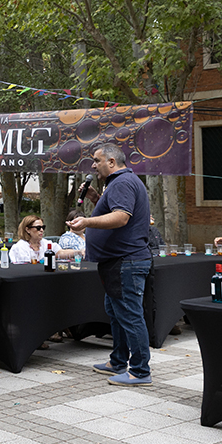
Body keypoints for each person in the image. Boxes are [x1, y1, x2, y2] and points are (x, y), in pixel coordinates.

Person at [67, 144, 152, 387]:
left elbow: (121, 216)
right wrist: (96, 198)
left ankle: (140, 371)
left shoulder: (122, 182)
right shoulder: (120, 183)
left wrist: (86, 221)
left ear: (112, 162)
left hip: (126, 261)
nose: (93, 165)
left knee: (130, 316)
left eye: (97, 160)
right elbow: (116, 208)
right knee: (117, 313)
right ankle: (117, 361)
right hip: (119, 262)